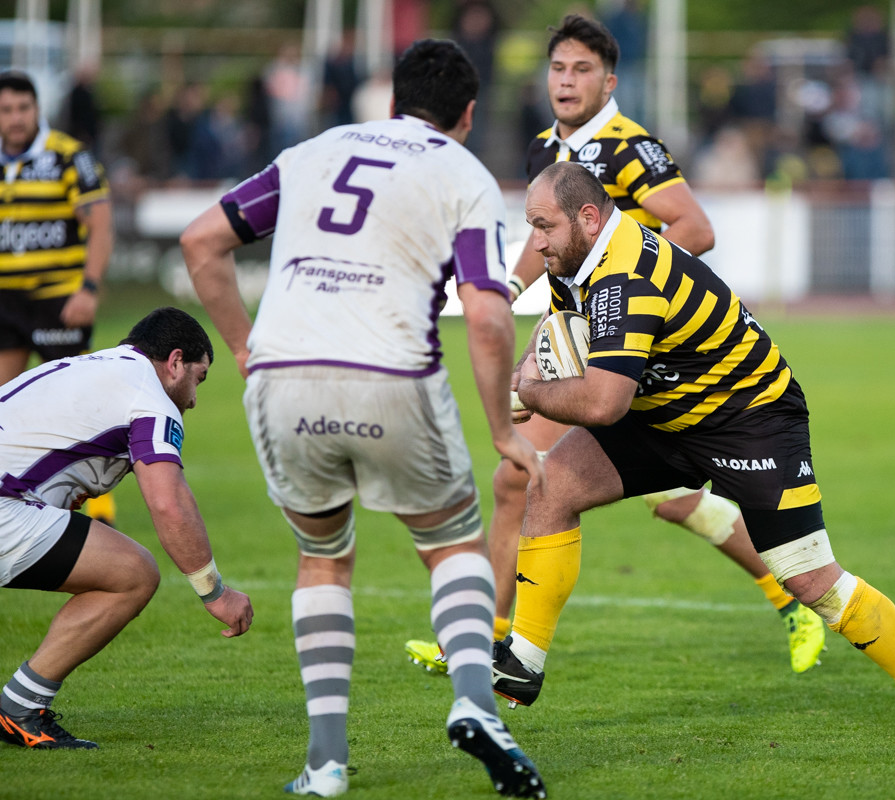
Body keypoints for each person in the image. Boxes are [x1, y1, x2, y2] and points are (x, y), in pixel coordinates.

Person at [403, 13, 826, 681]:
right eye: (558, 68)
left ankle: (496, 640)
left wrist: (626, 302)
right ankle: (495, 637)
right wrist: (509, 286)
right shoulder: (545, 148)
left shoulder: (630, 147)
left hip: (632, 342)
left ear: (609, 81)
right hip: (577, 336)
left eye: (582, 70)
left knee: (538, 474)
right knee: (552, 479)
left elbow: (695, 228)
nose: (566, 81)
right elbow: (547, 241)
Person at [180, 39, 547, 799]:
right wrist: (506, 434)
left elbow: (202, 241)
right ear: (469, 115)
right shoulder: (463, 173)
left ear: (389, 102)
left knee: (323, 559)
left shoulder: (312, 151)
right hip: (389, 377)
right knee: (451, 544)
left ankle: (324, 765)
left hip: (284, 379)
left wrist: (244, 345)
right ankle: (479, 705)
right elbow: (485, 316)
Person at [493, 161, 895, 739]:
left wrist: (533, 392)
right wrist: (528, 372)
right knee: (550, 484)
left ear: (587, 219)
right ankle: (524, 660)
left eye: (542, 226)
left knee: (807, 577)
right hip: (668, 413)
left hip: (751, 419)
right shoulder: (577, 259)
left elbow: (603, 404)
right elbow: (559, 329)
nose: (533, 241)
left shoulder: (628, 277)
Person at [0, 307, 254, 750]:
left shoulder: (86, 365)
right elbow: (168, 503)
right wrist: (216, 592)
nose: (194, 398)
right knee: (133, 573)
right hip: (5, 507)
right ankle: (21, 707)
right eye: (200, 378)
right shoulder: (150, 397)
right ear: (175, 362)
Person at [0, 70, 117, 525]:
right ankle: (12, 494)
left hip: (57, 301)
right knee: (4, 403)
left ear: (37, 110)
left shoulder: (70, 157)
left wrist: (89, 287)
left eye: (23, 108)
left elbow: (102, 224)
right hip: (5, 301)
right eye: (6, 110)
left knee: (72, 406)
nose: (15, 118)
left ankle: (99, 506)